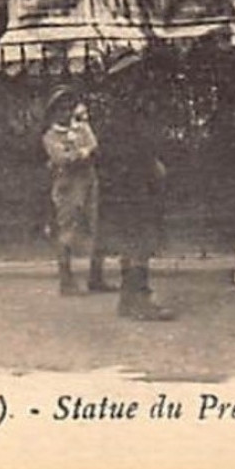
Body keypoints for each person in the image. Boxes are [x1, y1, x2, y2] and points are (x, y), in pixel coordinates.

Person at [96, 54, 176, 320]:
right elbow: (132, 146)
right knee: (139, 241)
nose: (138, 79)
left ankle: (129, 299)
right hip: (131, 183)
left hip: (127, 183)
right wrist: (150, 164)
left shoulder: (120, 107)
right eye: (132, 73)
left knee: (134, 242)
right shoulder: (126, 110)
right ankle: (138, 299)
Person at [41, 86, 108, 295]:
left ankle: (96, 277)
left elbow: (95, 147)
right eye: (61, 108)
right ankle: (66, 280)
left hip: (89, 180)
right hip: (68, 184)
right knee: (67, 229)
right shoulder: (51, 135)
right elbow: (62, 159)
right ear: (53, 112)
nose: (66, 113)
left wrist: (79, 153)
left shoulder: (81, 128)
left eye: (69, 107)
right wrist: (82, 153)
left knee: (97, 226)